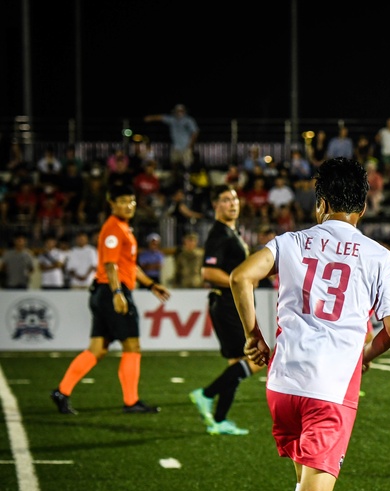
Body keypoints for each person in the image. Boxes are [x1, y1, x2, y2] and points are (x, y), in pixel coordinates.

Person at [228, 157, 390, 491]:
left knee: (306, 484)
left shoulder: (289, 242)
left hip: (283, 382)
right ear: (363, 207)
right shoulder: (377, 255)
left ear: (321, 202)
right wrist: (367, 355)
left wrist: (253, 335)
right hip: (331, 386)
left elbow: (241, 277)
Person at [50, 183, 170, 415]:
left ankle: (62, 392)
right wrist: (117, 293)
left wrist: (151, 285)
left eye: (131, 201)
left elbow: (129, 265)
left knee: (98, 349)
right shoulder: (114, 228)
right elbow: (110, 264)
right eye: (123, 201)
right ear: (112, 203)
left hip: (103, 292)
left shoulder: (123, 228)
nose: (128, 206)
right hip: (111, 291)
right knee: (132, 345)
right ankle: (131, 401)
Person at [187, 185, 267, 435]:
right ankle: (205, 394)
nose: (232, 203)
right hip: (226, 304)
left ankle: (219, 420)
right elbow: (208, 272)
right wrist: (241, 281)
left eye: (234, 199)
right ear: (216, 205)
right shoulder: (219, 234)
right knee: (256, 360)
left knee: (237, 362)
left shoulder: (231, 232)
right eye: (225, 200)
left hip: (228, 304)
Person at [144, 104, 199, 173]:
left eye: (181, 111)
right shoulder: (172, 119)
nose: (179, 112)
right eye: (178, 111)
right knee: (173, 163)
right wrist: (150, 118)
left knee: (187, 165)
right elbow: (161, 117)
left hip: (186, 147)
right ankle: (175, 178)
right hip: (176, 147)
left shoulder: (189, 120)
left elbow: (195, 132)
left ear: (184, 111)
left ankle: (186, 180)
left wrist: (191, 145)